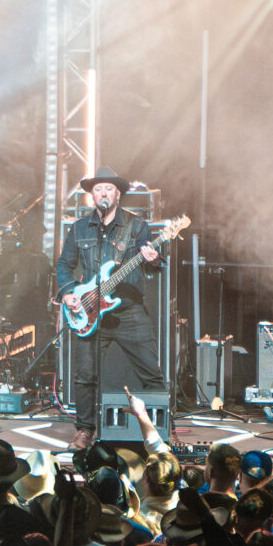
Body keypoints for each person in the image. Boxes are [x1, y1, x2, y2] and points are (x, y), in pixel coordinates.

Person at [52, 168, 173, 446]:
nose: (103, 194)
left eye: (108, 189)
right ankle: (84, 429)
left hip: (128, 311)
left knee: (150, 372)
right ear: (92, 195)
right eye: (97, 189)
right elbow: (63, 265)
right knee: (85, 376)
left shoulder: (136, 226)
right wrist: (69, 293)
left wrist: (153, 259)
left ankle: (166, 427)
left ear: (117, 194)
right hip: (89, 310)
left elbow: (156, 265)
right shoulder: (81, 227)